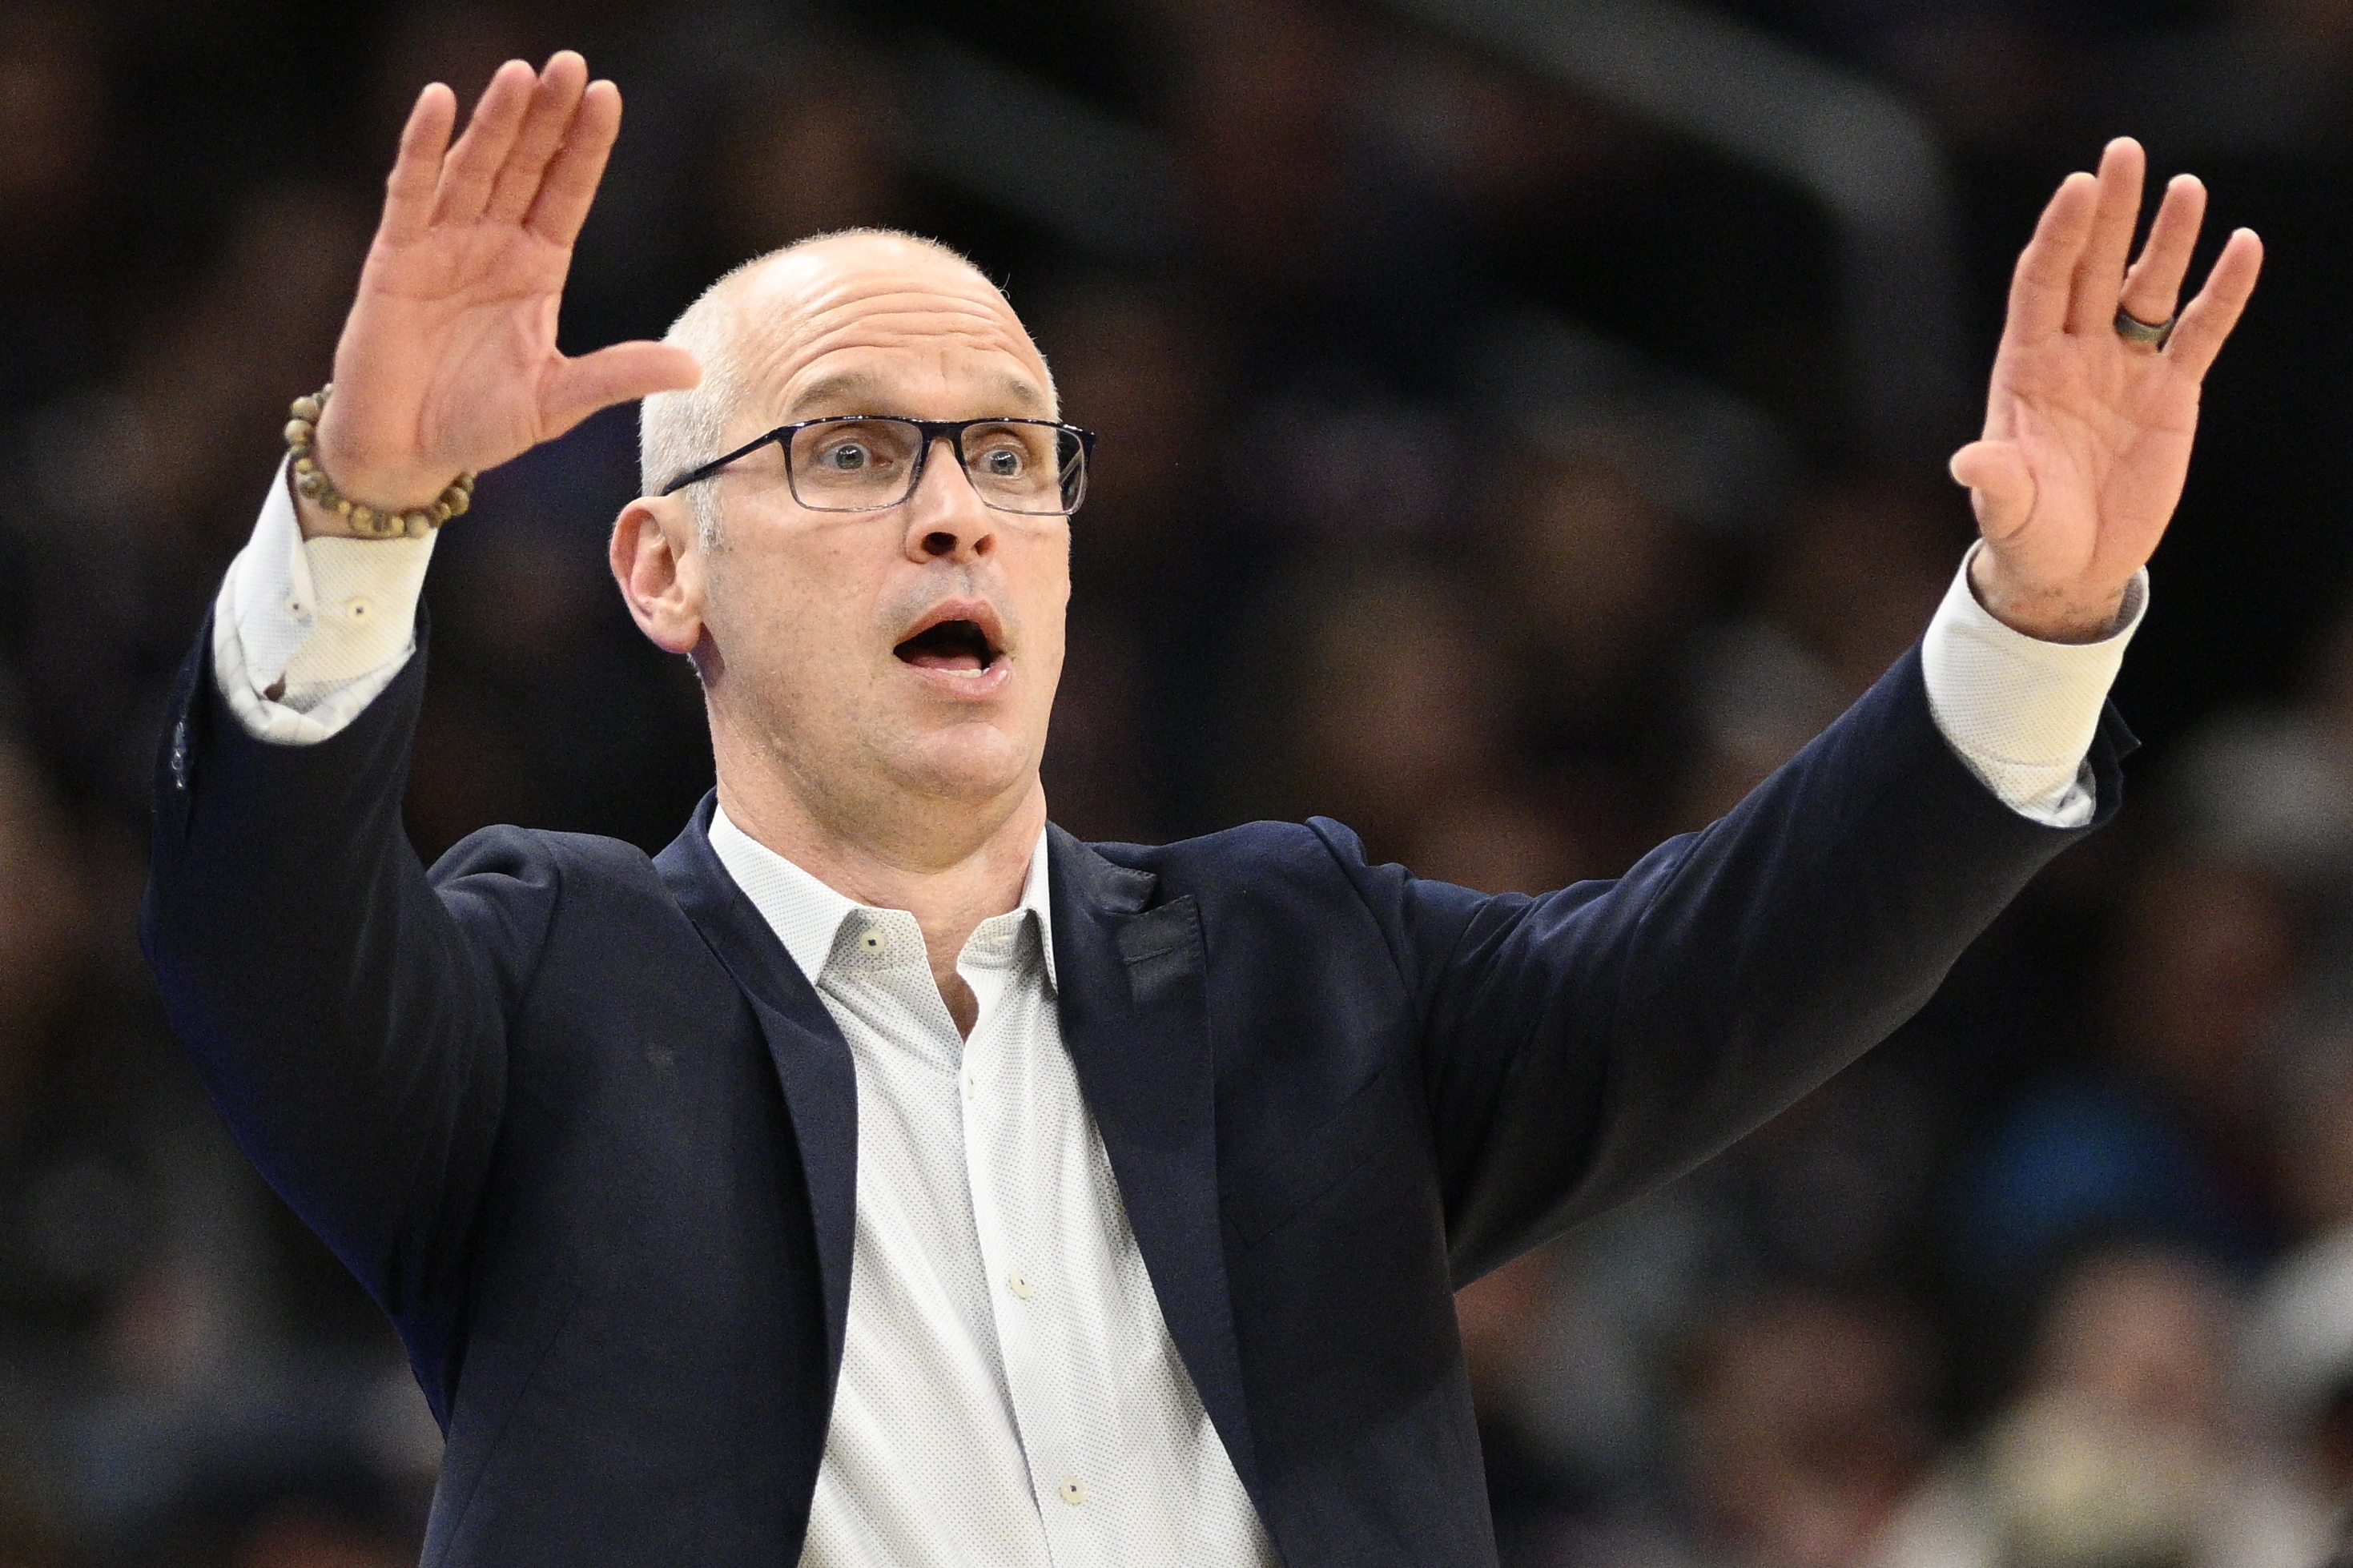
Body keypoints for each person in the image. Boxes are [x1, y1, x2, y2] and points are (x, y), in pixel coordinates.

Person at [139, 50, 2260, 1568]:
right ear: (660, 570)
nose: (956, 507)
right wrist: (365, 510)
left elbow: (1733, 963)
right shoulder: (544, 979)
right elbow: (258, 933)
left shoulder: (1299, 965)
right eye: (854, 455)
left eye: (1006, 454)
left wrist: (2037, 615)